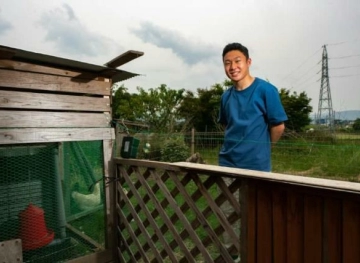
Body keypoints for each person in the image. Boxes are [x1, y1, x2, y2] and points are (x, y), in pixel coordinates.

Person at [218, 42, 288, 260]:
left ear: (248, 62)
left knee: (259, 217)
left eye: (237, 61)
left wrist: (263, 149)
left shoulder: (266, 91)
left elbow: (278, 126)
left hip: (256, 167)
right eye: (227, 63)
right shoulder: (226, 96)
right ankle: (232, 258)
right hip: (228, 165)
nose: (233, 67)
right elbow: (226, 125)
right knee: (229, 218)